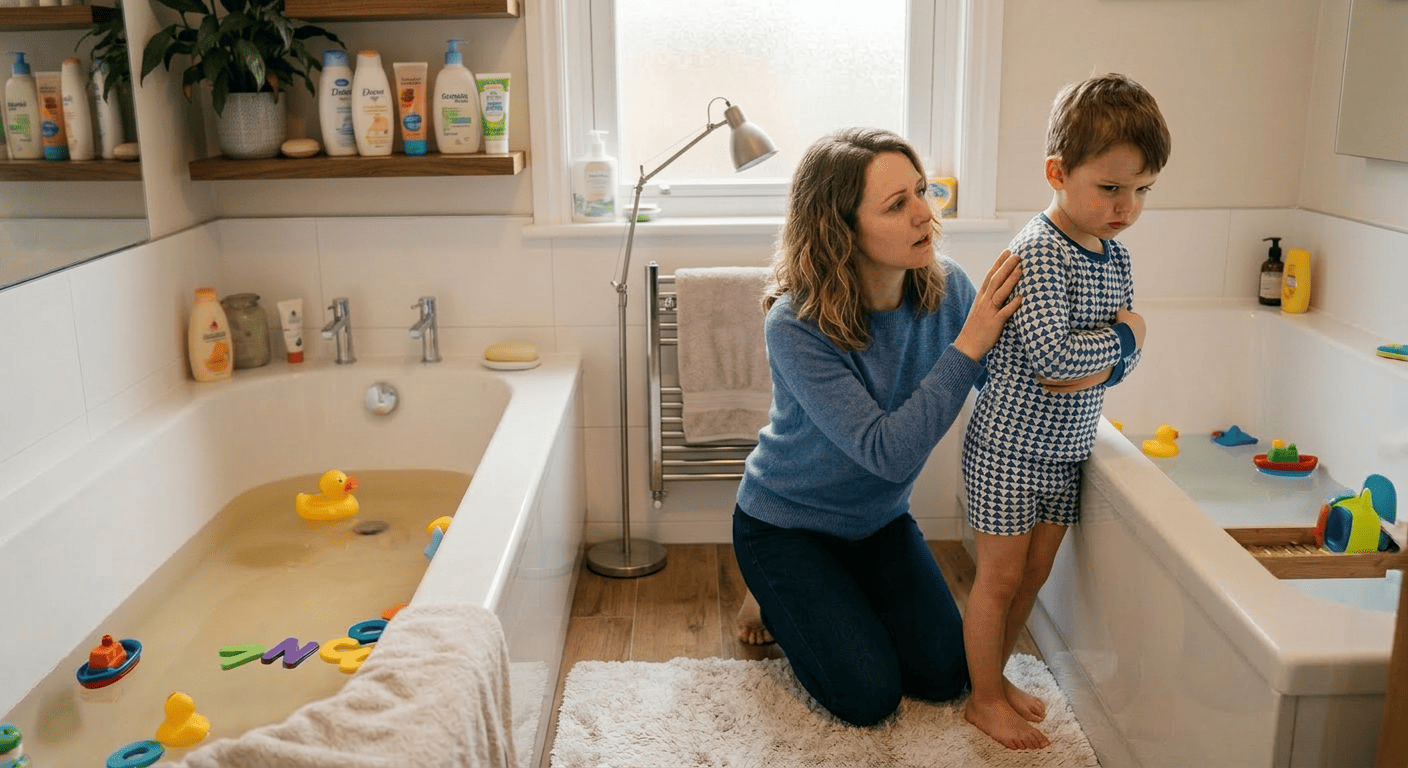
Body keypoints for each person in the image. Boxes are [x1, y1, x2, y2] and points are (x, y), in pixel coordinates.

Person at [730, 127, 1021, 727]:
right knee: (868, 698)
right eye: (898, 204)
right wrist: (968, 347)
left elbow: (1010, 379)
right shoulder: (796, 324)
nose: (925, 215)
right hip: (786, 526)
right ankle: (769, 596)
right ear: (841, 230)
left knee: (945, 676)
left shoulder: (950, 288)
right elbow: (884, 452)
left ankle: (829, 597)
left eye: (921, 191)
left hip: (878, 523)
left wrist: (1118, 340)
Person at [960, 72, 1169, 749]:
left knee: (1036, 574)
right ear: (1058, 172)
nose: (1125, 207)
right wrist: (1128, 335)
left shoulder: (1114, 254)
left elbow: (1107, 371)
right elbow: (1054, 361)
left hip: (1066, 450)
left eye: (1141, 190)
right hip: (1010, 448)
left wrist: (1110, 353)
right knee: (997, 579)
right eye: (1110, 188)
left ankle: (995, 679)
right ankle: (981, 698)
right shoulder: (1041, 252)